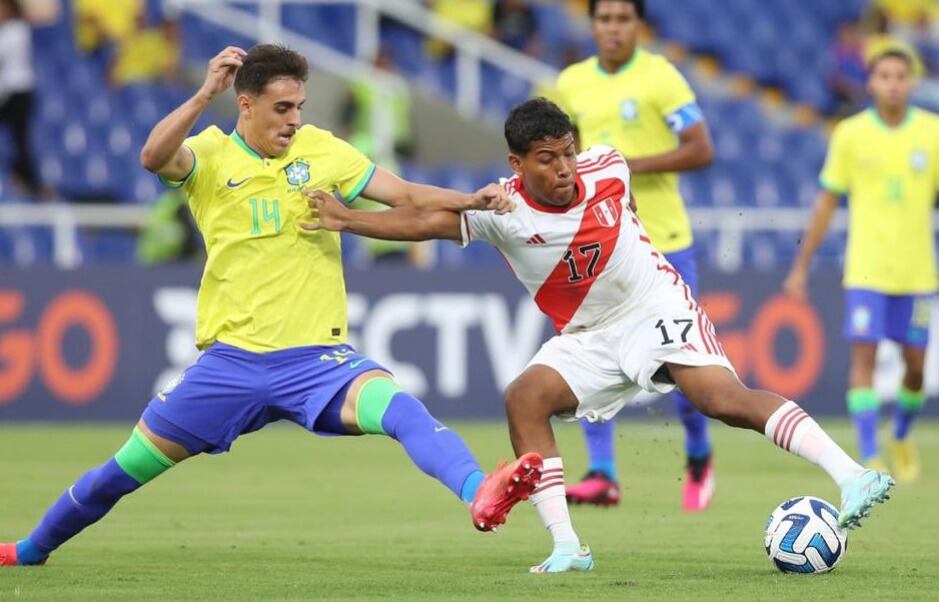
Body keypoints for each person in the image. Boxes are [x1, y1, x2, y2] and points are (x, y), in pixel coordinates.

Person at [0, 44, 539, 567]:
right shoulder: (209, 155)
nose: (293, 120)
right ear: (246, 103)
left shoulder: (323, 151)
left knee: (401, 409)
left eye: (299, 108)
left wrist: (468, 199)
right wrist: (203, 91)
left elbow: (404, 195)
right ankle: (29, 549)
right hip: (231, 363)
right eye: (282, 109)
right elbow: (152, 156)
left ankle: (479, 491)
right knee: (124, 470)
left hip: (315, 360)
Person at [304, 97, 895, 573]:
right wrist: (348, 219)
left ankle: (853, 476)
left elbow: (628, 209)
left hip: (653, 305)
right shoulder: (499, 210)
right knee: (524, 398)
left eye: (567, 153)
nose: (562, 168)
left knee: (722, 400)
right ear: (517, 165)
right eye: (546, 158)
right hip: (587, 333)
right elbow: (426, 222)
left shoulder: (607, 165)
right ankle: (567, 547)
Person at [554, 0, 716, 510]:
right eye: (604, 19)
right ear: (593, 25)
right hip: (600, 241)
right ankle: (602, 472)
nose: (613, 28)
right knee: (586, 350)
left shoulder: (661, 77)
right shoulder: (571, 83)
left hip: (663, 237)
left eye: (623, 19)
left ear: (638, 26)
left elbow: (700, 147)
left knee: (682, 361)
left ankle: (697, 450)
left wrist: (623, 165)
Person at [784, 49, 939, 483]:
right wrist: (800, 267)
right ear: (869, 82)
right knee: (864, 359)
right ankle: (871, 453)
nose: (892, 83)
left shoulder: (932, 133)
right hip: (867, 270)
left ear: (911, 82)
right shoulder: (850, 134)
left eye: (900, 76)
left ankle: (902, 434)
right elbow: (826, 203)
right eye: (884, 75)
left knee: (916, 368)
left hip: (918, 273)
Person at [0, 0, 44, 198]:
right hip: (9, 93)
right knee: (19, 140)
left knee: (21, 139)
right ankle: (22, 176)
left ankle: (30, 181)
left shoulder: (17, 29)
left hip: (17, 93)